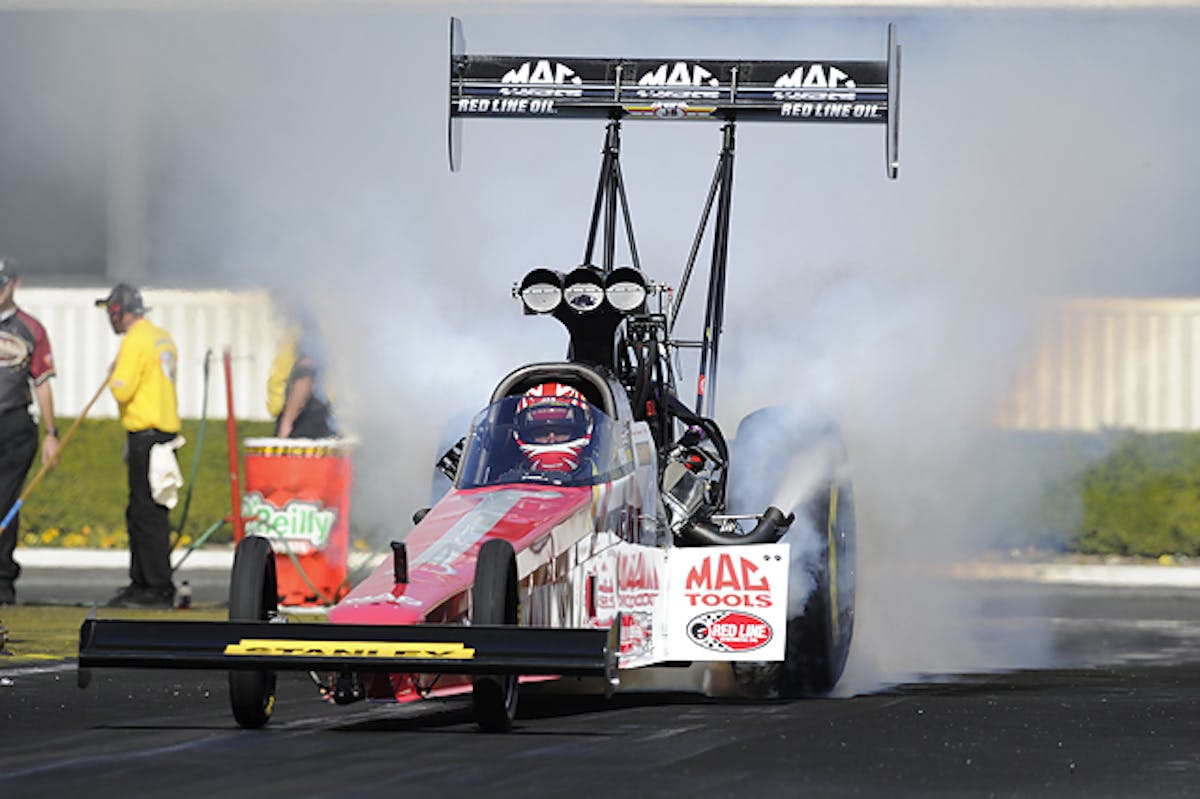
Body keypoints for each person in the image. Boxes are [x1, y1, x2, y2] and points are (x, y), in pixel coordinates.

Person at [96, 283, 181, 609]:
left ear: (118, 311)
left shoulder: (134, 341)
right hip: (163, 436)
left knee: (145, 513)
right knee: (150, 510)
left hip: (146, 436)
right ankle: (143, 581)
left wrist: (114, 372)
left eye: (110, 312)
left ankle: (155, 586)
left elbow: (121, 389)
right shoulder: (161, 336)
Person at [0, 257, 59, 605]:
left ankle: (3, 580)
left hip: (15, 423)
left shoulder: (30, 329)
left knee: (5, 501)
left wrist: (52, 432)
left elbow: (43, 383)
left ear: (14, 284)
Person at [266, 306, 337, 439]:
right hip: (304, 416)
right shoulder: (306, 328)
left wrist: (287, 423)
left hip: (304, 420)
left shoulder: (308, 330)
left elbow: (304, 378)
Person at [512, 383, 593, 473]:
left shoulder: (602, 479)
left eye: (561, 432)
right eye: (541, 433)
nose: (552, 439)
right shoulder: (509, 483)